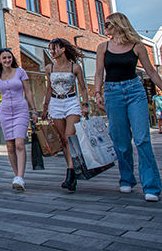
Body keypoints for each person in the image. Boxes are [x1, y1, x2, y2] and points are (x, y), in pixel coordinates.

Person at [94, 12, 162, 202]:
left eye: (107, 24)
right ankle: (127, 178)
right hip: (112, 93)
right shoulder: (103, 47)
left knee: (141, 139)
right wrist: (97, 94)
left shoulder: (137, 46)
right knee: (120, 140)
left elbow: (151, 72)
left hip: (135, 92)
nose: (104, 27)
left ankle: (151, 187)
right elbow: (99, 72)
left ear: (118, 24)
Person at [0, 48, 39, 191]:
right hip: (5, 113)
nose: (7, 60)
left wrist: (34, 110)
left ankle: (20, 177)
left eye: (9, 57)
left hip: (21, 110)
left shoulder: (20, 72)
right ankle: (17, 177)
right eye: (4, 58)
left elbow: (28, 92)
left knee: (19, 143)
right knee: (10, 147)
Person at [42, 38, 89, 192]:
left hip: (72, 102)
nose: (51, 52)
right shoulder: (49, 68)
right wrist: (45, 108)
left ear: (62, 49)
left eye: (54, 48)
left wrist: (85, 105)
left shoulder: (75, 67)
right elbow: (49, 89)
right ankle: (72, 174)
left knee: (70, 136)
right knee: (63, 140)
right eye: (50, 49)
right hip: (56, 104)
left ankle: (70, 173)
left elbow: (82, 87)